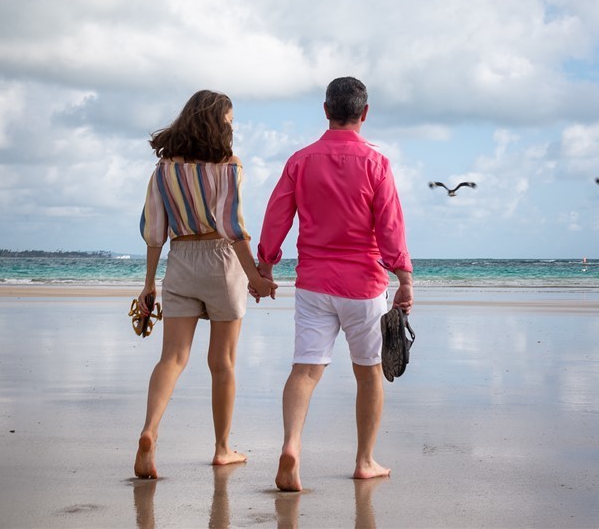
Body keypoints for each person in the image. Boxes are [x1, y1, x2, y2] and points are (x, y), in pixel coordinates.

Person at [253, 76, 413, 492]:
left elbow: (277, 216)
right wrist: (404, 278)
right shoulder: (376, 163)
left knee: (304, 371)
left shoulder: (300, 160)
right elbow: (390, 225)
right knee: (370, 374)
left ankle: (291, 446)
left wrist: (266, 265)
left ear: (325, 111)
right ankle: (364, 461)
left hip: (314, 284)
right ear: (364, 114)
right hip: (364, 287)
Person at [134, 90, 277, 479]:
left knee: (172, 358)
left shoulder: (164, 169)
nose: (233, 126)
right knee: (223, 363)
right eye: (230, 120)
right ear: (217, 123)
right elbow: (233, 228)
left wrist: (149, 284)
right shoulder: (229, 167)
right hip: (221, 261)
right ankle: (221, 448)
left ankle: (149, 432)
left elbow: (154, 231)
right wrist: (256, 278)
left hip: (180, 260)